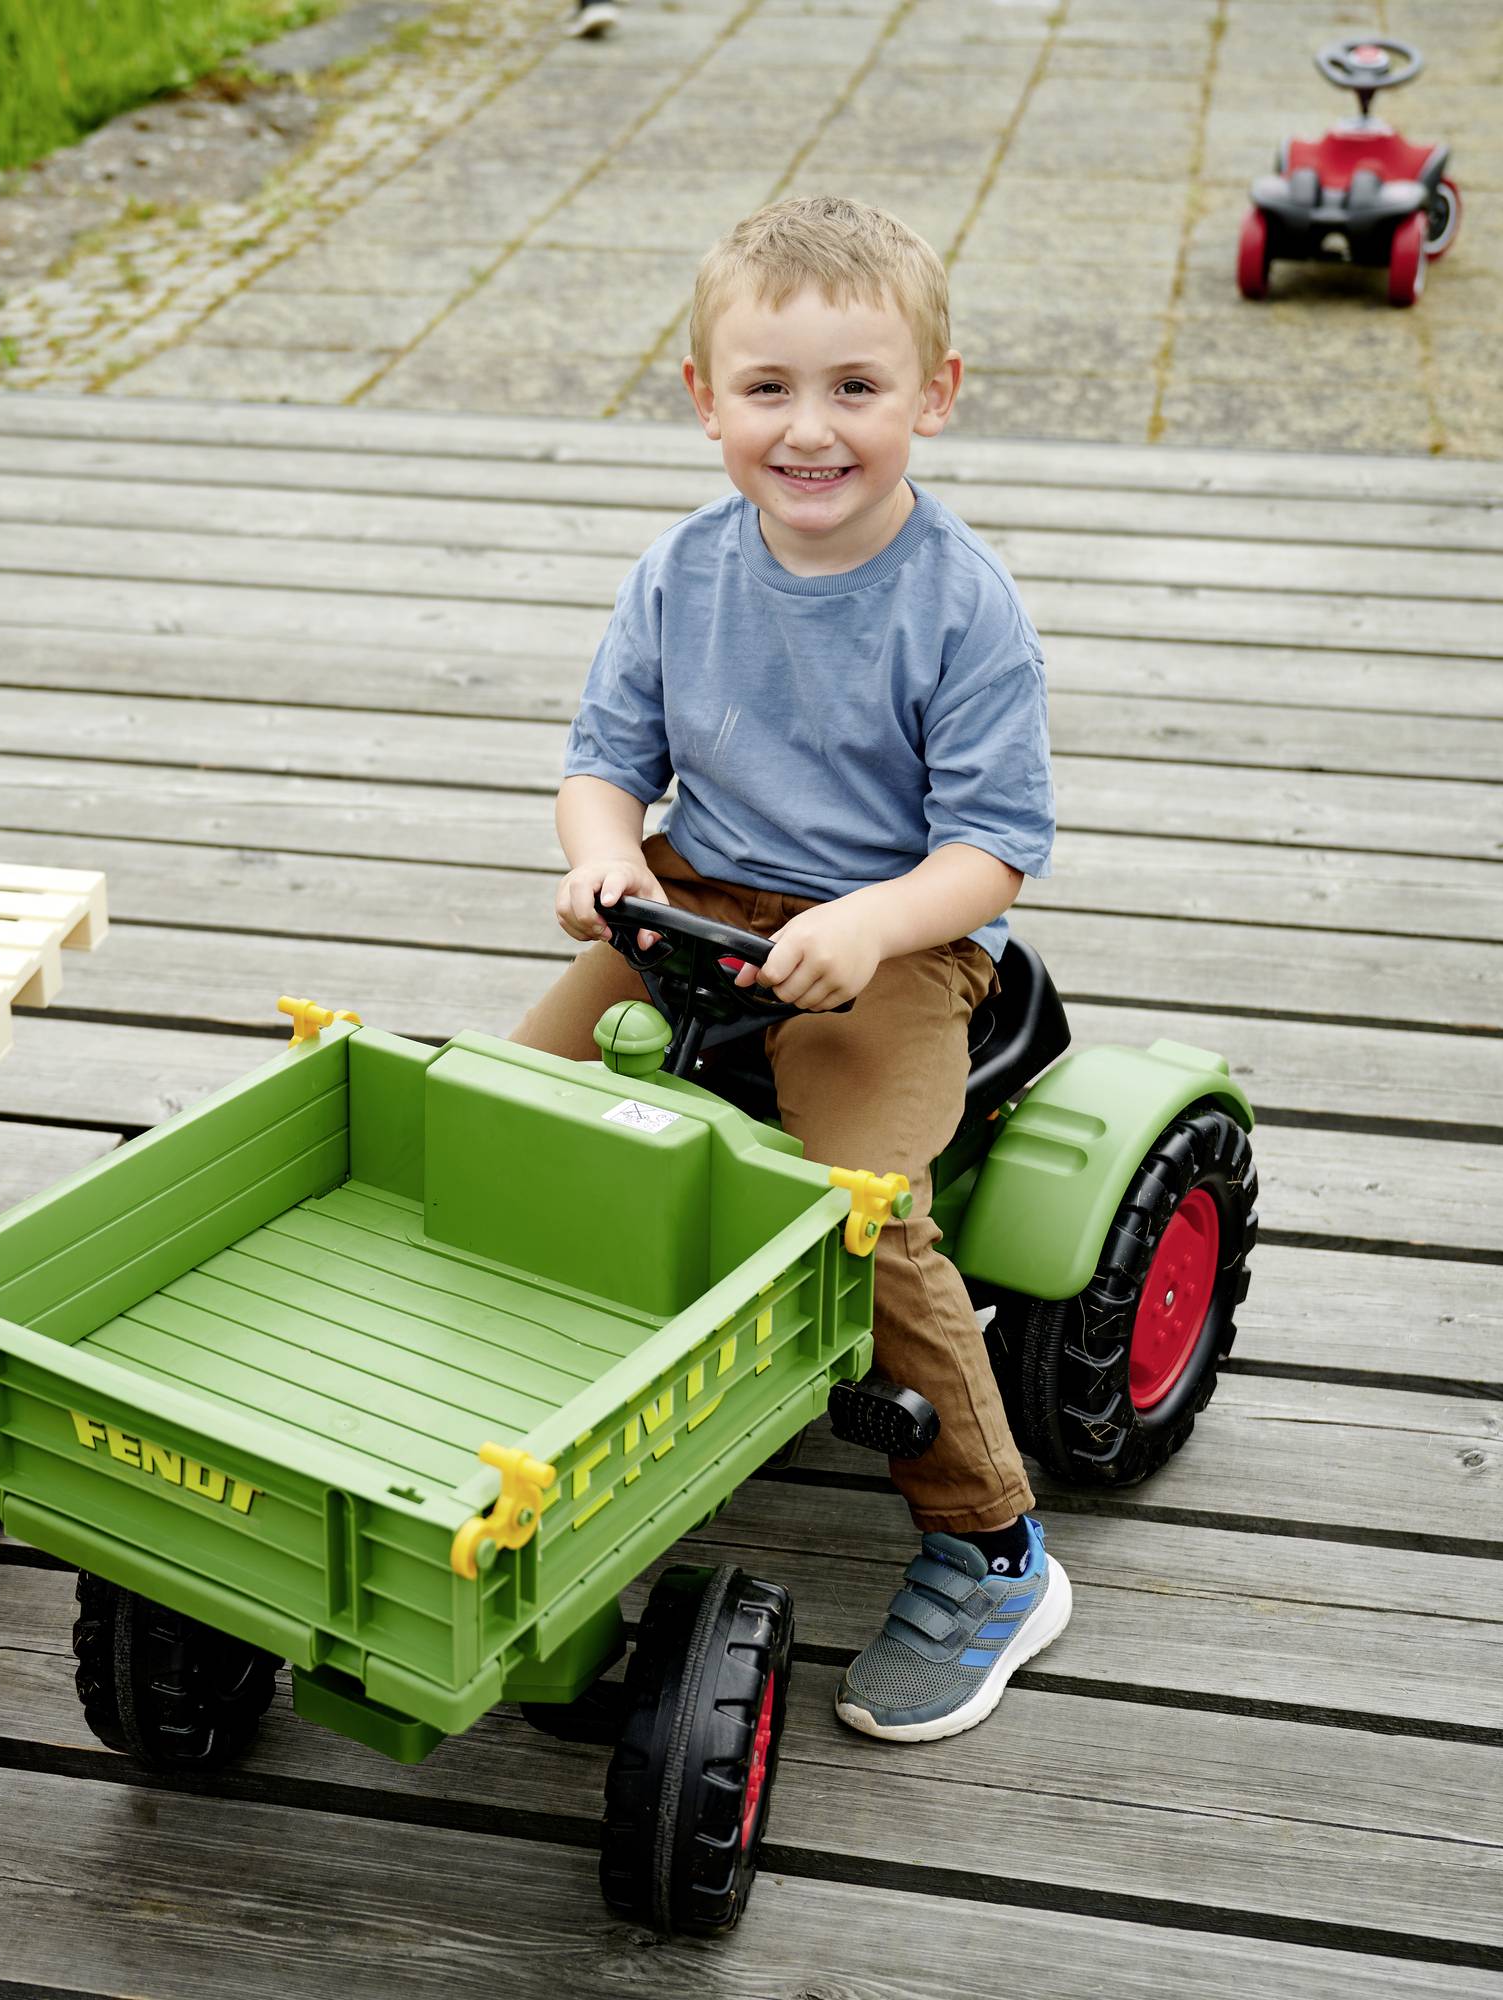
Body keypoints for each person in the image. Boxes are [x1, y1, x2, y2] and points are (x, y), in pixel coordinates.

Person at [510, 195, 1064, 1742]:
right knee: (514, 1111)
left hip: (900, 937)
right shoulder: (680, 574)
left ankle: (991, 1542)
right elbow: (604, 767)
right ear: (707, 399)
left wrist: (874, 925)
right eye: (769, 388)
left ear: (934, 396)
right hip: (695, 898)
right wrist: (606, 859)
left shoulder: (962, 605)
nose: (810, 429)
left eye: (855, 388)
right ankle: (535, 1418)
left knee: (858, 1214)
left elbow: (993, 850)